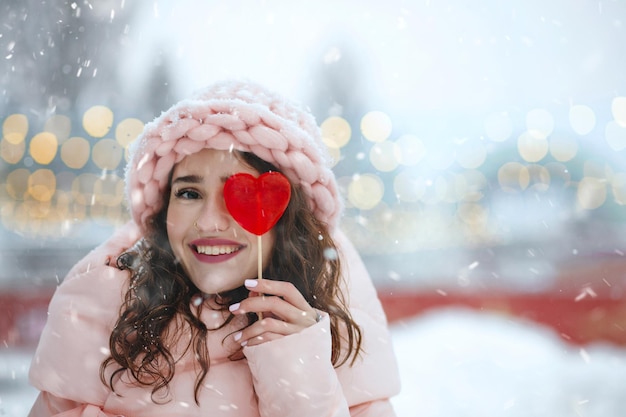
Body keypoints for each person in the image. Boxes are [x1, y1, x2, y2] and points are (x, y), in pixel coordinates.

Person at [27, 80, 401, 416]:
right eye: (189, 193)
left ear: (289, 218)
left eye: (238, 195)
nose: (208, 221)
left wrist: (300, 371)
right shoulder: (100, 315)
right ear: (162, 210)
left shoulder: (341, 334)